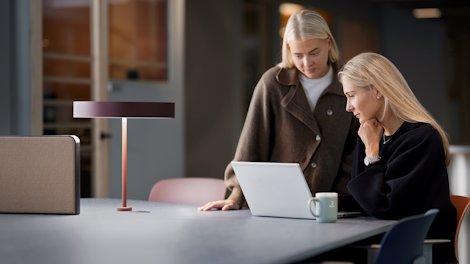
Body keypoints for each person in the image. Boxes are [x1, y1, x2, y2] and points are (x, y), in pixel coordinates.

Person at [198, 9, 359, 212]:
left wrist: (336, 202)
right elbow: (251, 145)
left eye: (314, 53)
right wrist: (236, 196)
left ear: (328, 42)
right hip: (274, 206)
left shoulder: (349, 86)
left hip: (331, 209)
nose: (307, 63)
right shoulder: (272, 84)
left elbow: (353, 155)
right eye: (298, 55)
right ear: (288, 50)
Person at [339, 52, 457, 262]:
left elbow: (385, 206)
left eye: (351, 95)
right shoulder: (369, 134)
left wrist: (372, 153)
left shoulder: (422, 138)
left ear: (377, 90)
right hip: (382, 242)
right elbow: (364, 199)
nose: (348, 107)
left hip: (415, 251)